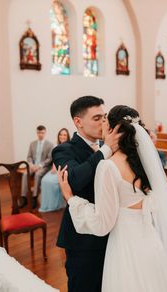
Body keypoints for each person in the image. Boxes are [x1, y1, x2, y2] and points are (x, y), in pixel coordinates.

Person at [57, 105, 167, 292]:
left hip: (126, 248)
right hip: (151, 244)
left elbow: (103, 223)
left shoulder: (108, 166)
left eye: (105, 120)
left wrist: (71, 198)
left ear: (113, 130)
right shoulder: (143, 163)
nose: (102, 125)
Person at [52, 96, 121, 292]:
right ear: (78, 122)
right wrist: (106, 149)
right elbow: (74, 179)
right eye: (97, 118)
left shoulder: (111, 149)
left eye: (104, 117)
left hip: (113, 233)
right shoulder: (63, 150)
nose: (103, 122)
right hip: (84, 238)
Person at [19, 125, 54, 209]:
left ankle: (34, 197)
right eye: (39, 132)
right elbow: (29, 157)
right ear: (36, 133)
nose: (40, 134)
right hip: (33, 166)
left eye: (42, 132)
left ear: (45, 133)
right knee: (24, 174)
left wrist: (39, 166)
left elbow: (50, 158)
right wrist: (31, 165)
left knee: (37, 175)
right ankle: (24, 198)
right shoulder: (32, 144)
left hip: (44, 167)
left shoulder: (50, 144)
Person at [39, 128, 70, 212]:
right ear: (58, 136)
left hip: (63, 169)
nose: (62, 136)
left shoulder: (69, 146)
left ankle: (55, 204)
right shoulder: (56, 147)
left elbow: (68, 161)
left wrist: (58, 170)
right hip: (55, 168)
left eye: (64, 135)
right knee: (44, 180)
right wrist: (53, 168)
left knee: (52, 182)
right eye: (61, 134)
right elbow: (54, 160)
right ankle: (46, 204)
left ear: (67, 137)